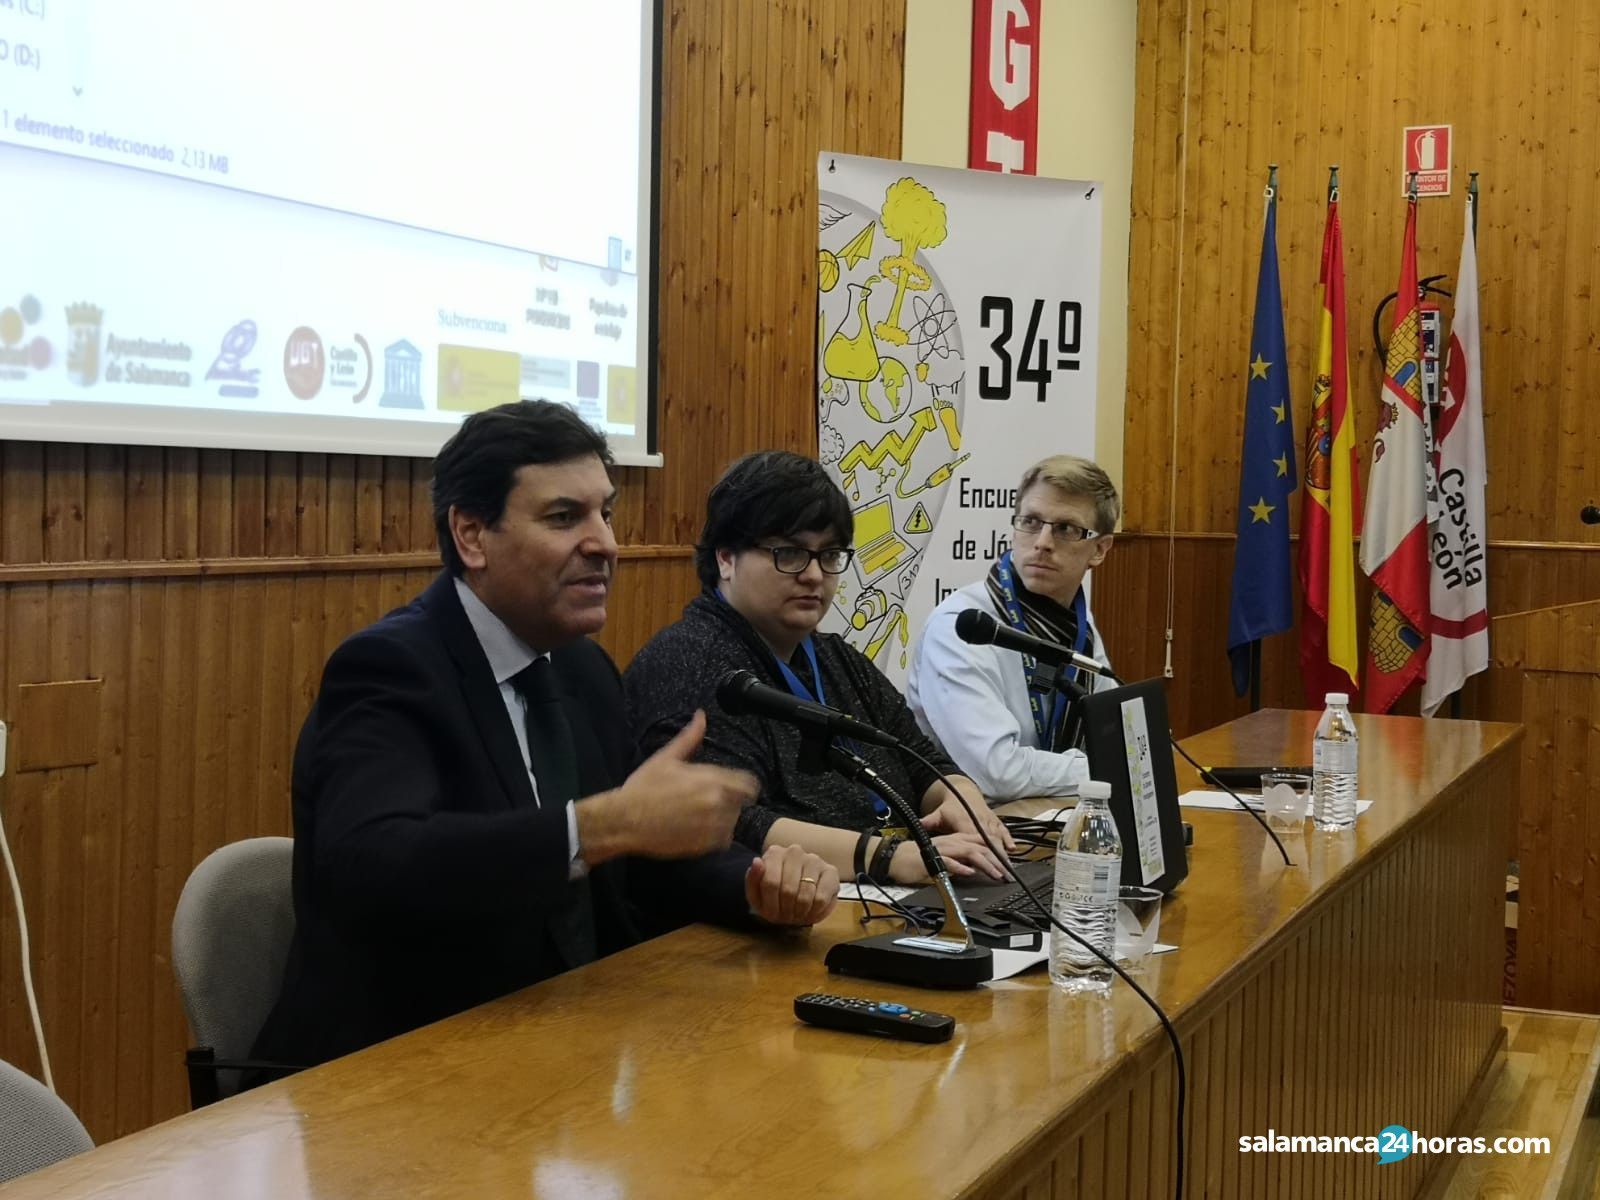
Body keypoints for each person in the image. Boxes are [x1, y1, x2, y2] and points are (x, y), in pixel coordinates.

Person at [253, 403, 837, 1070]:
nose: (605, 544)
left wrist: (760, 887)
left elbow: (638, 858)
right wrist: (593, 827)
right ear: (472, 535)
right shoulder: (391, 669)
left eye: (605, 514)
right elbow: (376, 864)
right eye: (565, 518)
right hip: (396, 1072)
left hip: (564, 1049)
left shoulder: (579, 666)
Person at [624, 451, 1015, 889]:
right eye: (789, 553)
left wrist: (963, 798)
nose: (814, 575)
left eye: (829, 555)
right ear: (726, 559)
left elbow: (920, 759)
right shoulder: (691, 663)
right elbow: (730, 824)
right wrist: (888, 857)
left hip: (890, 891)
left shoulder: (837, 658)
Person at [907, 455, 1119, 801]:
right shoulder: (961, 626)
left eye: (1065, 529)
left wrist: (1113, 757)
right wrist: (1104, 766)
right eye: (1032, 522)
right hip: (970, 834)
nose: (1043, 542)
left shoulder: (1078, 624)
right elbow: (997, 772)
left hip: (1051, 814)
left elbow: (1107, 730)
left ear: (1099, 549)